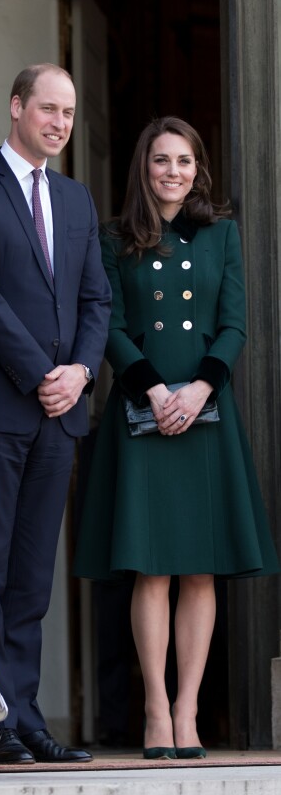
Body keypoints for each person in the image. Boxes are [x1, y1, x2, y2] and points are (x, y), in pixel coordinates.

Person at [73, 116, 279, 759]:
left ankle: (188, 710)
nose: (173, 172)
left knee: (199, 570)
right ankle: (155, 713)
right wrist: (156, 391)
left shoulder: (221, 234)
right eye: (162, 160)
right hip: (145, 414)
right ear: (144, 166)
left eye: (184, 161)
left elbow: (234, 323)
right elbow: (108, 323)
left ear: (198, 169)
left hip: (205, 414)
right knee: (151, 570)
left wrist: (199, 390)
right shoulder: (114, 237)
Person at [0, 63, 112, 764]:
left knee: (32, 575)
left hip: (59, 413)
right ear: (16, 108)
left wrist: (79, 373)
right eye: (48, 109)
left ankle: (30, 714)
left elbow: (95, 300)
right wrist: (42, 372)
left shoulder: (76, 200)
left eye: (68, 113)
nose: (60, 124)